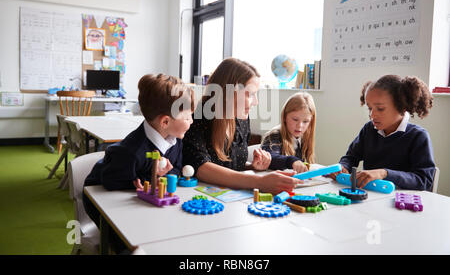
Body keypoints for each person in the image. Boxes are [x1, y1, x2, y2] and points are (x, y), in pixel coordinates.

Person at [83, 74, 194, 230]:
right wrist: (149, 177)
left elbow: (175, 169)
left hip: (139, 202)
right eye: (188, 118)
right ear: (165, 122)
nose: (192, 121)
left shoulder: (176, 140)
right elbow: (110, 180)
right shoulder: (130, 152)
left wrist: (161, 176)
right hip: (100, 201)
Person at [182, 58, 301, 194]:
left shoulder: (241, 120)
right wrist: (260, 182)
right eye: (250, 94)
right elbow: (200, 167)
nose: (255, 102)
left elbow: (228, 166)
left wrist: (253, 167)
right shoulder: (198, 116)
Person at [331, 74, 436, 191]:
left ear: (402, 107)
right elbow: (350, 157)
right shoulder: (369, 129)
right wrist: (343, 167)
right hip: (371, 196)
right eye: (370, 108)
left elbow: (424, 180)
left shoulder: (418, 136)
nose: (372, 115)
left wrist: (384, 173)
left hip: (400, 202)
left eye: (380, 109)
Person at [261, 92, 316, 173]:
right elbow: (270, 158)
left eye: (305, 121)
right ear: (284, 117)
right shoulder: (274, 136)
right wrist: (292, 161)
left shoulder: (304, 137)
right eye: (295, 119)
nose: (299, 126)